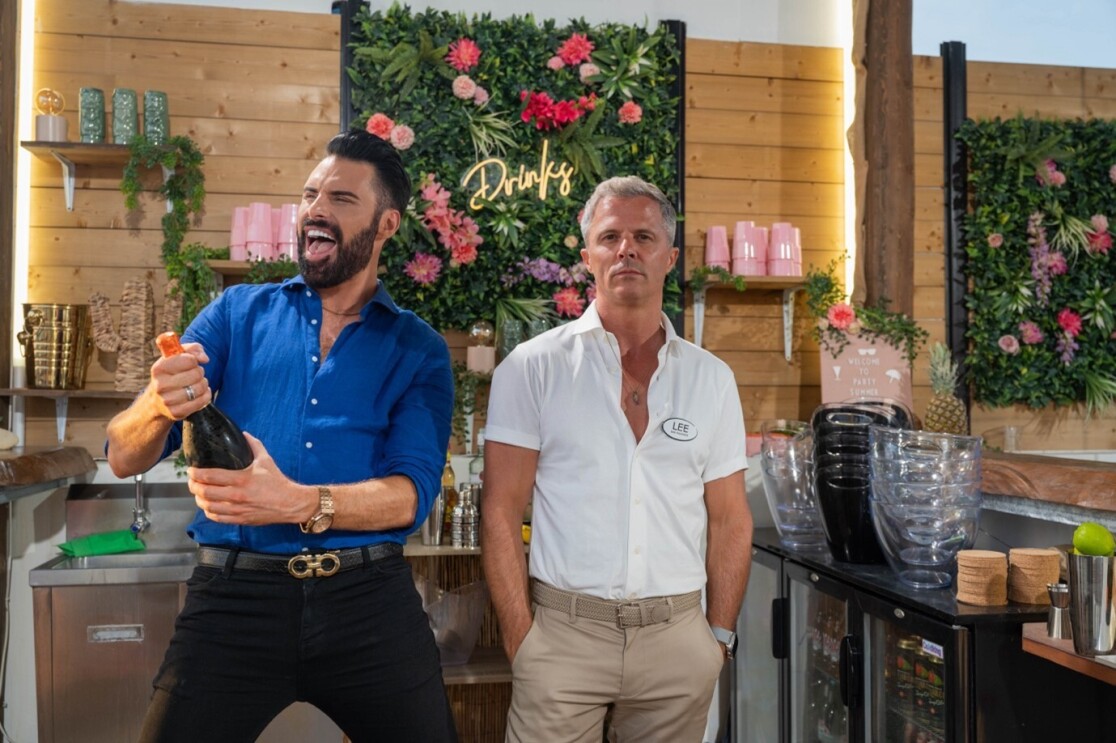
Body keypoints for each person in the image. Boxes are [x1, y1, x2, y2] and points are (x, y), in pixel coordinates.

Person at [106, 129, 458, 742]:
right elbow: (121, 453)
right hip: (233, 597)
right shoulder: (234, 314)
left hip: (369, 602)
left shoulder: (417, 349)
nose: (317, 210)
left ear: (386, 225)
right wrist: (159, 405)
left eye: (343, 199)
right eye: (310, 194)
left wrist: (298, 501)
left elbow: (412, 495)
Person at [481, 175, 754, 742]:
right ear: (587, 257)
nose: (626, 248)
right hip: (562, 636)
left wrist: (718, 638)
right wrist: (521, 639)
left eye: (643, 237)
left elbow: (730, 518)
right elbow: (500, 510)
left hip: (678, 639)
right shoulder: (533, 368)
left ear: (670, 256)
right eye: (609, 237)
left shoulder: (712, 379)